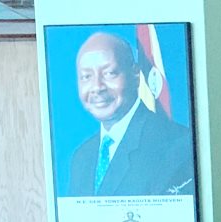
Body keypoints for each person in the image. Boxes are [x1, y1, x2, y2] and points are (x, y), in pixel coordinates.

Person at [67, 32, 195, 197]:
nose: (97, 87)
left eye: (109, 73)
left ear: (135, 75)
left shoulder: (176, 145)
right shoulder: (81, 158)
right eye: (86, 77)